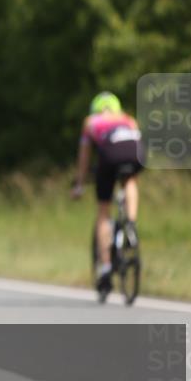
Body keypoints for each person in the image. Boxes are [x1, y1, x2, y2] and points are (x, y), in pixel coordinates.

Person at [71, 91, 143, 295]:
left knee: (104, 210)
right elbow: (138, 141)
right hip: (135, 150)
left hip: (110, 153)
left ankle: (105, 268)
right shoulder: (128, 118)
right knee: (129, 180)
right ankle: (130, 222)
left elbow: (84, 157)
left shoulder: (91, 121)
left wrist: (79, 184)